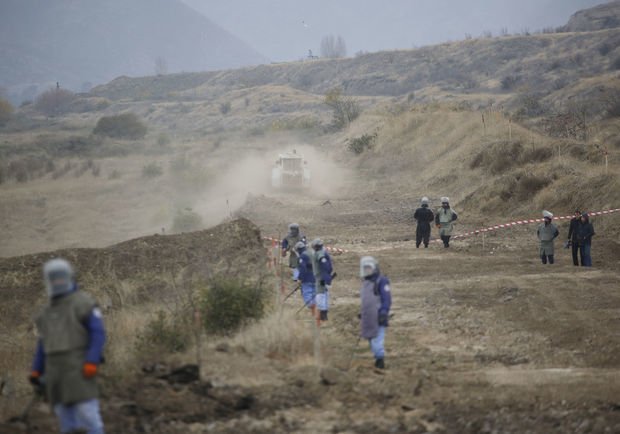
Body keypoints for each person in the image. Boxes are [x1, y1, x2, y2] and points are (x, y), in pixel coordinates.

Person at [29, 259, 106, 434]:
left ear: (69, 277)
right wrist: (36, 370)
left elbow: (97, 334)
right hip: (55, 375)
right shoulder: (46, 313)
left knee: (89, 417)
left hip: (79, 369)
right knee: (66, 422)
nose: (58, 282)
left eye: (60, 278)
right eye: (54, 279)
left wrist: (92, 361)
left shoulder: (83, 303)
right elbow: (42, 343)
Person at [359, 256, 392, 370]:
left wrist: (383, 312)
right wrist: (363, 313)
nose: (367, 271)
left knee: (377, 339)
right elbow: (366, 300)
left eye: (369, 268)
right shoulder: (366, 283)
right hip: (368, 317)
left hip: (379, 316)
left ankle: (380, 360)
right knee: (370, 338)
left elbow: (386, 299)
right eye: (365, 269)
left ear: (374, 268)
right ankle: (377, 356)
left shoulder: (381, 281)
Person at [311, 238, 333, 323]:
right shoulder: (323, 252)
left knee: (320, 294)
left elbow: (325, 265)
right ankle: (324, 314)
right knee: (324, 293)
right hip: (323, 277)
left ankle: (323, 315)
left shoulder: (319, 254)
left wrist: (324, 277)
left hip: (321, 278)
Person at [294, 241, 317, 316]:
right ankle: (315, 314)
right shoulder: (312, 253)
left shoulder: (302, 256)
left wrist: (300, 278)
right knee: (314, 295)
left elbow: (303, 268)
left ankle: (313, 310)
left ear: (298, 250)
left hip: (307, 279)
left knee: (307, 295)